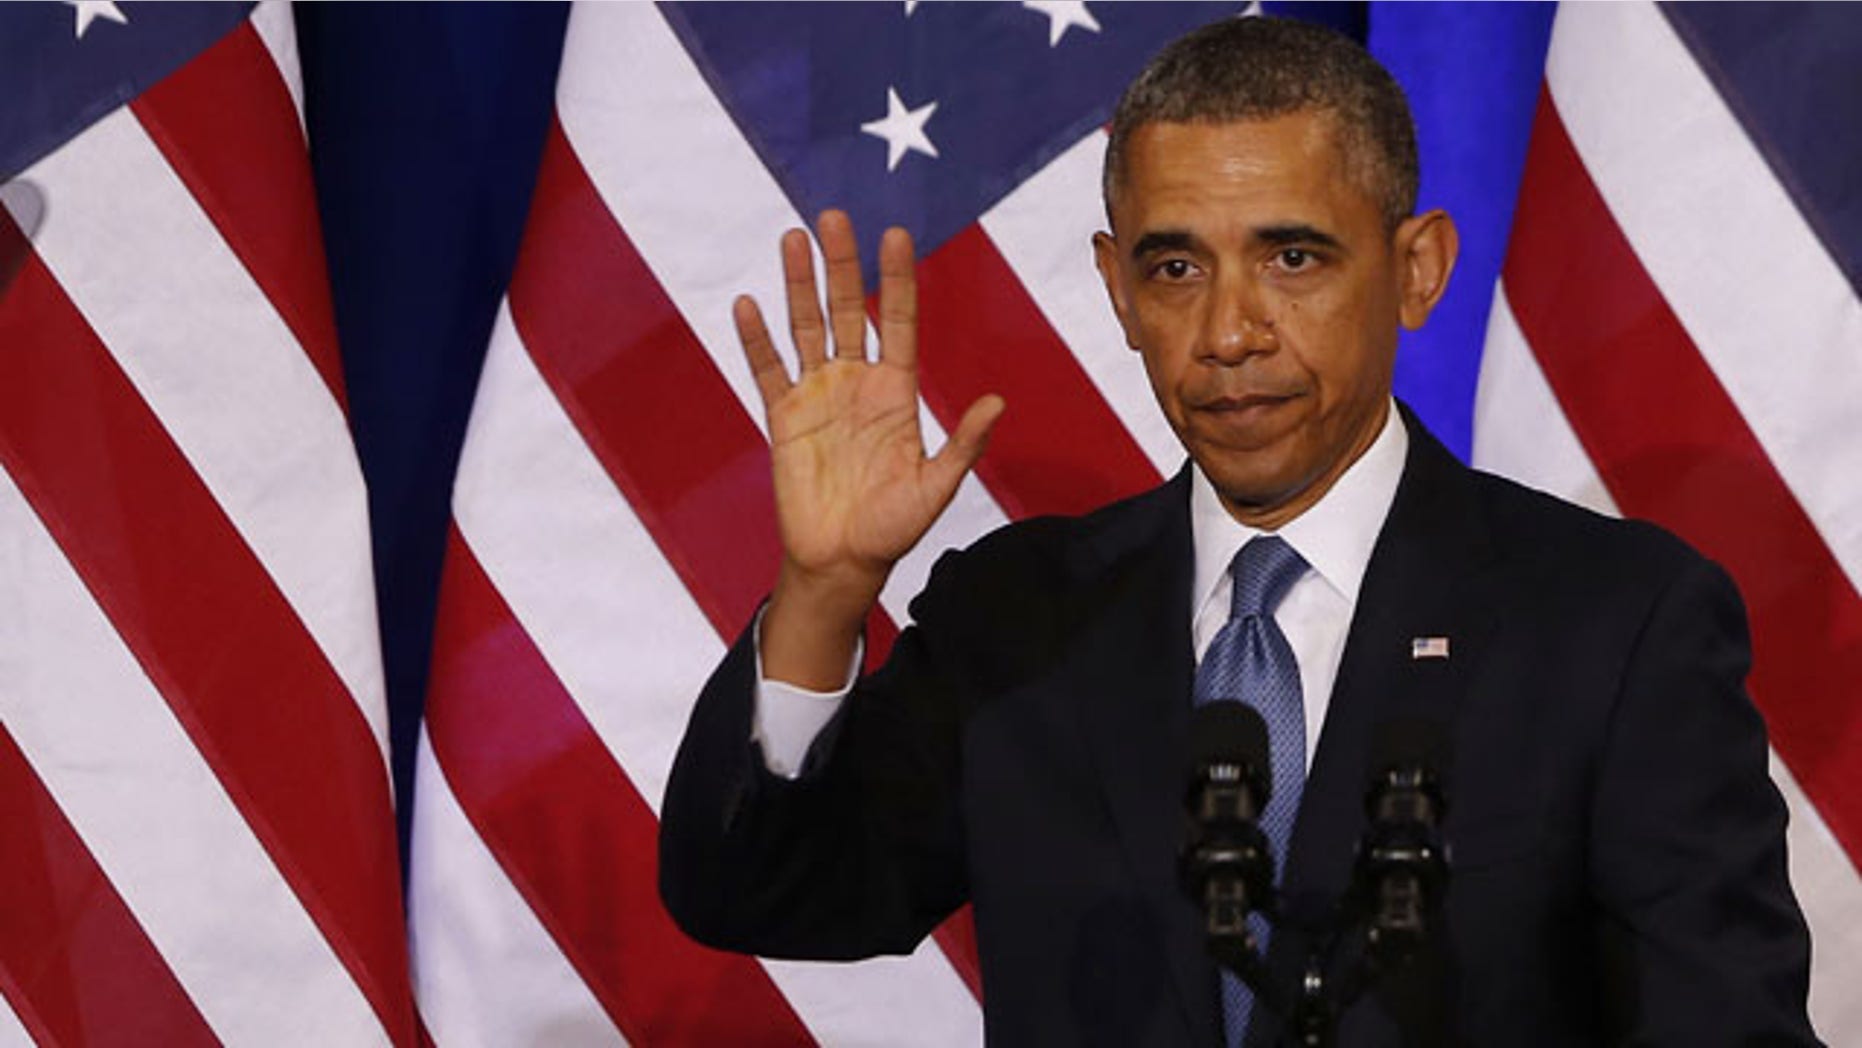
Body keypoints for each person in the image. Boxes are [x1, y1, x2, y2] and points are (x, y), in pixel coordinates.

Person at [659, 16, 1816, 1046]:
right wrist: (823, 590)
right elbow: (760, 892)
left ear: (1416, 271)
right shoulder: (1018, 618)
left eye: (1292, 257)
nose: (1227, 332)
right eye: (1174, 266)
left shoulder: (1612, 624)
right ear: (1116, 290)